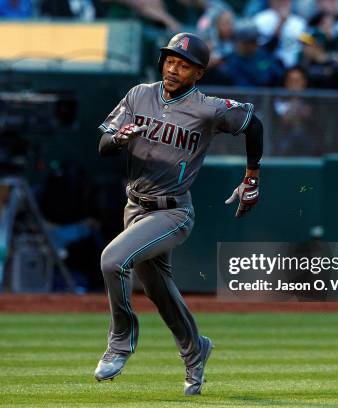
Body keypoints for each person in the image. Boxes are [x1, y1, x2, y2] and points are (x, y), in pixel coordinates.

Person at [95, 33, 263, 395]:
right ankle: (195, 350)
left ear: (198, 73)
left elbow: (253, 123)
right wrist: (119, 139)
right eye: (170, 60)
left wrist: (252, 175)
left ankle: (120, 341)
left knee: (112, 261)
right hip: (135, 206)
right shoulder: (139, 94)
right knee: (161, 292)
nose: (173, 68)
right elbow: (104, 145)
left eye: (183, 64)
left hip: (173, 213)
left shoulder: (207, 108)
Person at [253, 0, 307, 67]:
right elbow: (263, 49)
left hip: (294, 66)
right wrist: (281, 22)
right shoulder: (260, 20)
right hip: (269, 65)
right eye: (279, 1)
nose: (284, 3)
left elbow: (308, 42)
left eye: (286, 1)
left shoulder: (299, 22)